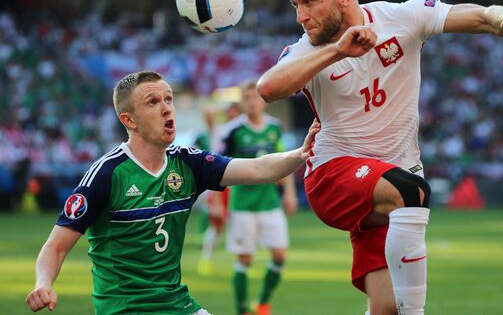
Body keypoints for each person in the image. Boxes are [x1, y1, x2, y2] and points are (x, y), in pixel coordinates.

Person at [256, 0, 503, 315]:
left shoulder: (400, 17)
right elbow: (268, 88)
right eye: (296, 4)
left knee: (386, 307)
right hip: (334, 175)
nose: (301, 15)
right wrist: (337, 52)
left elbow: (479, 16)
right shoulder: (306, 51)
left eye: (309, 1)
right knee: (411, 191)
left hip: (388, 183)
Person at [25, 71, 319, 314]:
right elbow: (56, 245)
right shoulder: (106, 174)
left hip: (178, 302)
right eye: (153, 102)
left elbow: (258, 169)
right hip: (126, 308)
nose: (167, 108)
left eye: (169, 99)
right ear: (129, 120)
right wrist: (43, 283)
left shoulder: (187, 162)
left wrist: (301, 153)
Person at [215, 80, 297, 315]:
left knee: (280, 255)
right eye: (247, 98)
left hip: (270, 202)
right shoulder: (233, 131)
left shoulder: (275, 128)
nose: (252, 102)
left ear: (263, 100)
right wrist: (217, 203)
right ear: (242, 102)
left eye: (255, 97)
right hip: (242, 205)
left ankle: (262, 303)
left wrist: (289, 193)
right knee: (245, 259)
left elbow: (284, 161)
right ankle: (242, 310)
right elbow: (215, 168)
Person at [195, 103, 241, 275]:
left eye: (237, 112)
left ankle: (241, 262)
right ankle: (206, 258)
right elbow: (207, 111)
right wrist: (226, 108)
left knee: (238, 223)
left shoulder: (242, 130)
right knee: (217, 224)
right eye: (231, 112)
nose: (234, 115)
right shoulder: (221, 130)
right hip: (221, 182)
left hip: (239, 183)